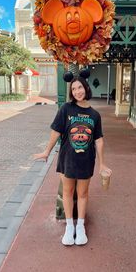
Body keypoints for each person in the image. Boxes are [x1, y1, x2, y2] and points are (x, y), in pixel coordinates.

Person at [34, 76, 112, 246]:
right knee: (68, 193)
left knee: (83, 194)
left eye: (80, 87)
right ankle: (70, 226)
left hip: (86, 160)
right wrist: (47, 151)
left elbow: (98, 140)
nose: (77, 91)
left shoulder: (94, 115)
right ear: (71, 92)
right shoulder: (66, 109)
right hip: (67, 158)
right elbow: (56, 131)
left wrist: (102, 163)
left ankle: (80, 226)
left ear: (86, 88)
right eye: (74, 89)